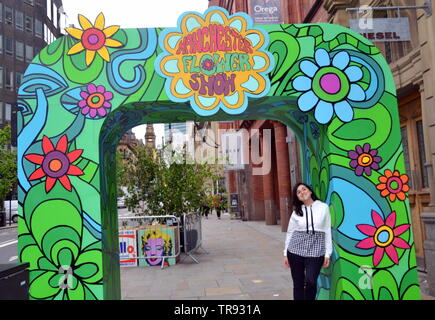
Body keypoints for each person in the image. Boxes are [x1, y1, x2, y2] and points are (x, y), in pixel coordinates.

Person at [283, 183, 332, 300]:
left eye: (304, 189)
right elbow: (290, 232)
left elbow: (327, 230)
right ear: (297, 197)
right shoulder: (296, 212)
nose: (302, 193)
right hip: (295, 250)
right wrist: (285, 253)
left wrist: (327, 253)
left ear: (310, 191)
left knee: (311, 281)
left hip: (316, 250)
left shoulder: (323, 207)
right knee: (298, 284)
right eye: (298, 192)